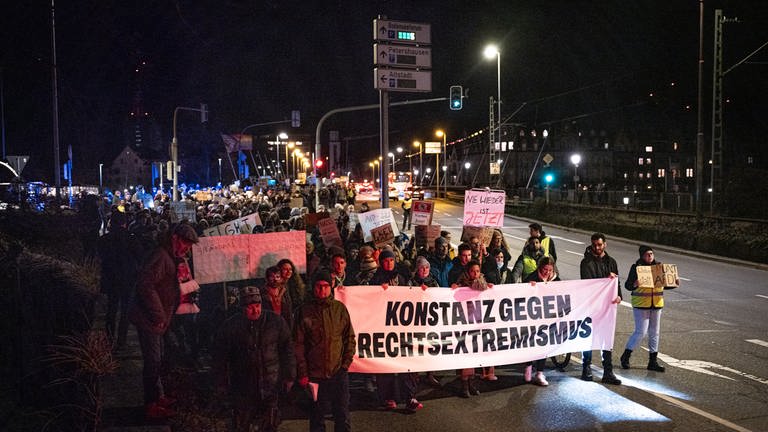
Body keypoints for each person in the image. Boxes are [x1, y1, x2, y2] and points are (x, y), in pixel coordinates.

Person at [128, 222, 199, 418]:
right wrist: (158, 315)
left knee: (158, 360)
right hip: (149, 319)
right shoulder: (161, 256)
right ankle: (150, 404)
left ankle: (157, 397)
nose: (187, 248)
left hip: (158, 319)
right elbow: (146, 286)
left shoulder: (168, 256)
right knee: (152, 361)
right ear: (175, 238)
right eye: (186, 243)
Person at [213, 286, 296, 432]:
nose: (255, 310)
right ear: (242, 308)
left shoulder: (275, 322)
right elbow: (220, 357)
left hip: (271, 383)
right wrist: (222, 383)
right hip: (243, 386)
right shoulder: (231, 327)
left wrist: (289, 376)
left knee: (270, 424)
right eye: (250, 307)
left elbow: (287, 350)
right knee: (242, 424)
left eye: (257, 306)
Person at [294, 272, 356, 432]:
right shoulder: (304, 311)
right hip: (314, 375)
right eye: (319, 286)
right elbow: (298, 345)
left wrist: (345, 365)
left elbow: (349, 337)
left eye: (326, 286)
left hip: (338, 372)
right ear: (313, 288)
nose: (322, 290)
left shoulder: (339, 309)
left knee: (342, 415)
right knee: (316, 417)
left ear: (331, 287)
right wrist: (303, 373)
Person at [620, 245, 677, 373]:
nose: (650, 256)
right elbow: (628, 285)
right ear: (642, 256)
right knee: (641, 332)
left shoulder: (659, 267)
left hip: (656, 304)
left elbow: (663, 284)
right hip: (641, 304)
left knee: (655, 333)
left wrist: (673, 283)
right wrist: (635, 284)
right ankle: (626, 356)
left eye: (651, 254)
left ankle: (653, 361)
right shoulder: (636, 268)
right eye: (647, 254)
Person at [579, 232, 622, 385]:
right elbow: (589, 283)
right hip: (591, 306)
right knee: (588, 338)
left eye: (599, 244)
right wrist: (606, 279)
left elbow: (617, 283)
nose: (597, 247)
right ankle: (586, 368)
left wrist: (619, 296)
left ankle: (608, 372)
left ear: (605, 244)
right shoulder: (586, 263)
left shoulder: (612, 262)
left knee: (606, 338)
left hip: (608, 307)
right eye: (594, 245)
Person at [97, 210, 142, 350]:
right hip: (128, 279)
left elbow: (100, 258)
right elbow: (140, 256)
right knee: (125, 311)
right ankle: (121, 341)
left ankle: (110, 338)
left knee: (111, 309)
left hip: (111, 278)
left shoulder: (104, 240)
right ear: (124, 223)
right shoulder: (131, 238)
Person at [453, 260, 494, 393]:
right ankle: (464, 386)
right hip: (464, 324)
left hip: (478, 324)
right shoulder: (462, 284)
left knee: (475, 356)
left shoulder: (483, 284)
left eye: (477, 271)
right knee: (466, 355)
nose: (475, 274)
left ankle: (471, 384)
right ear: (468, 272)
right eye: (472, 271)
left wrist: (491, 289)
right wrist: (454, 288)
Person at [523, 256, 561, 386]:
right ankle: (528, 366)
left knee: (544, 344)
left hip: (548, 317)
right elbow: (521, 293)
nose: (547, 272)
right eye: (545, 269)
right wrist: (529, 287)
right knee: (531, 343)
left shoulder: (556, 279)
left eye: (550, 270)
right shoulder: (532, 277)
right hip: (533, 317)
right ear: (540, 268)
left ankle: (539, 372)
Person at [260, 265, 294, 329]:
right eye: (272, 277)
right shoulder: (262, 293)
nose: (275, 279)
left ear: (281, 278)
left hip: (284, 326)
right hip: (269, 327)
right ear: (267, 279)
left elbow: (289, 312)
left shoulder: (284, 292)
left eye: (277, 277)